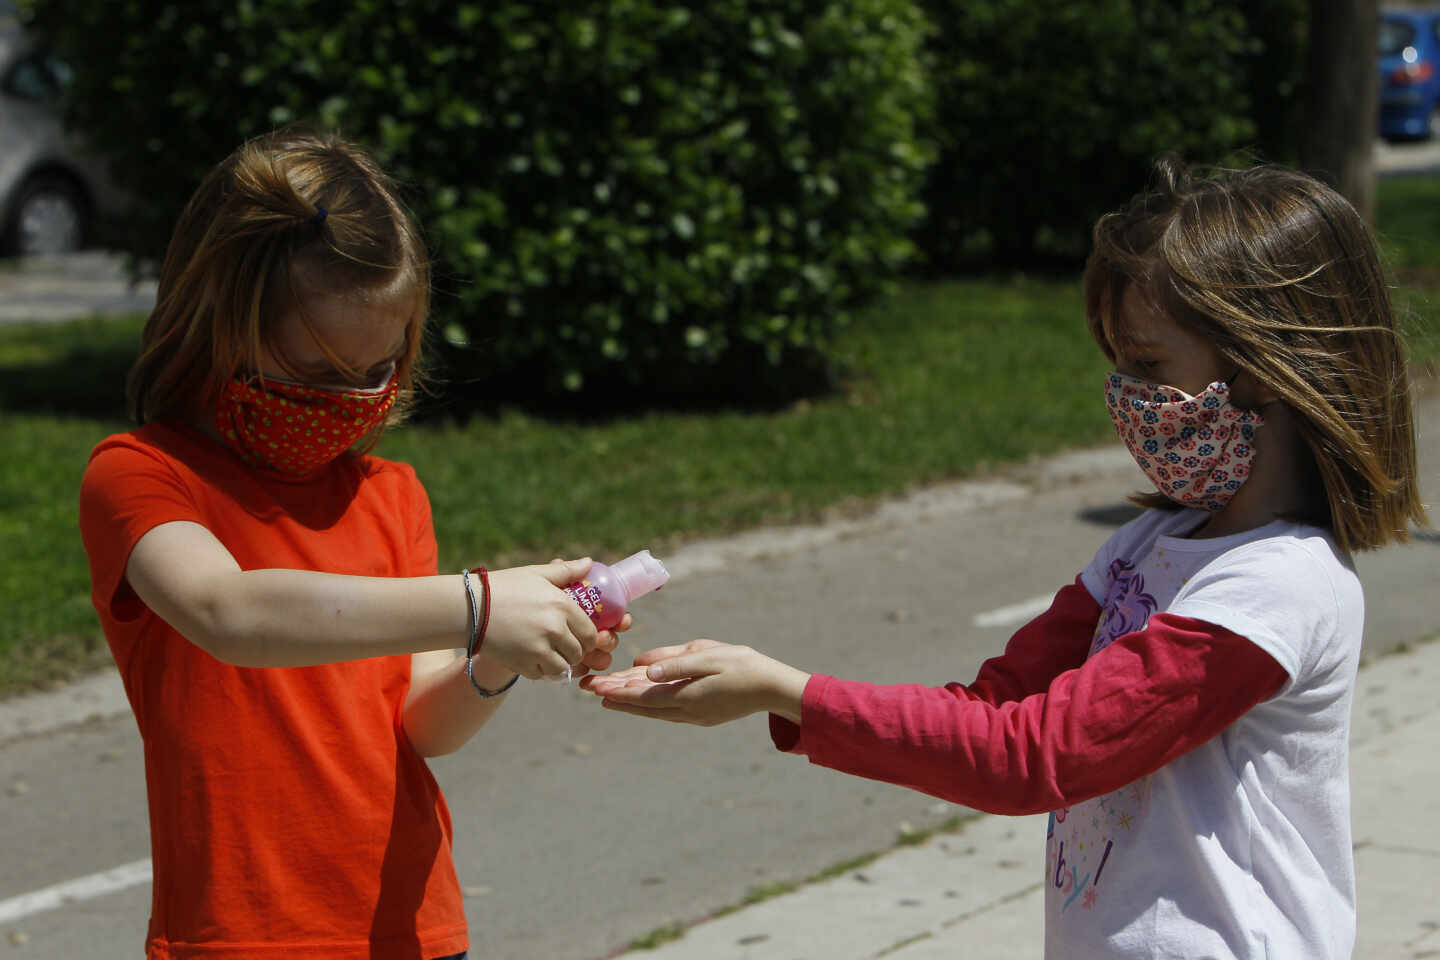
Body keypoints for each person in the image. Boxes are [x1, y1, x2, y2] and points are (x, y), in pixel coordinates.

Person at [583, 157, 1429, 959]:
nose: (1125, 397)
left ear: (1268, 369)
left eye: (1147, 365)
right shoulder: (1148, 546)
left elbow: (1038, 756)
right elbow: (990, 709)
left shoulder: (1275, 590)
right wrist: (783, 700)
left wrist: (787, 691)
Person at [77, 128, 625, 960]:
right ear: (220, 322)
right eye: (320, 370)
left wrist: (497, 654)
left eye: (379, 372)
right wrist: (479, 601)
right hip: (241, 938)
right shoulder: (142, 477)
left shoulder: (390, 495)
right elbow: (230, 611)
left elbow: (419, 728)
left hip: (413, 929)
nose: (353, 398)